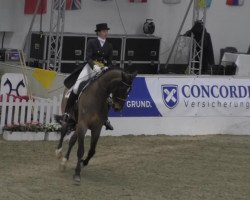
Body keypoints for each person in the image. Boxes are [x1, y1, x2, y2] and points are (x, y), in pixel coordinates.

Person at [62, 23, 114, 130]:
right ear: (98, 32)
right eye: (104, 31)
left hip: (102, 70)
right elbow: (88, 57)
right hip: (90, 68)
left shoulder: (109, 46)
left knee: (109, 94)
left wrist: (107, 67)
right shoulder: (92, 42)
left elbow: (110, 62)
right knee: (76, 88)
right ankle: (67, 113)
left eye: (106, 31)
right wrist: (94, 66)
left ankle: (105, 119)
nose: (106, 33)